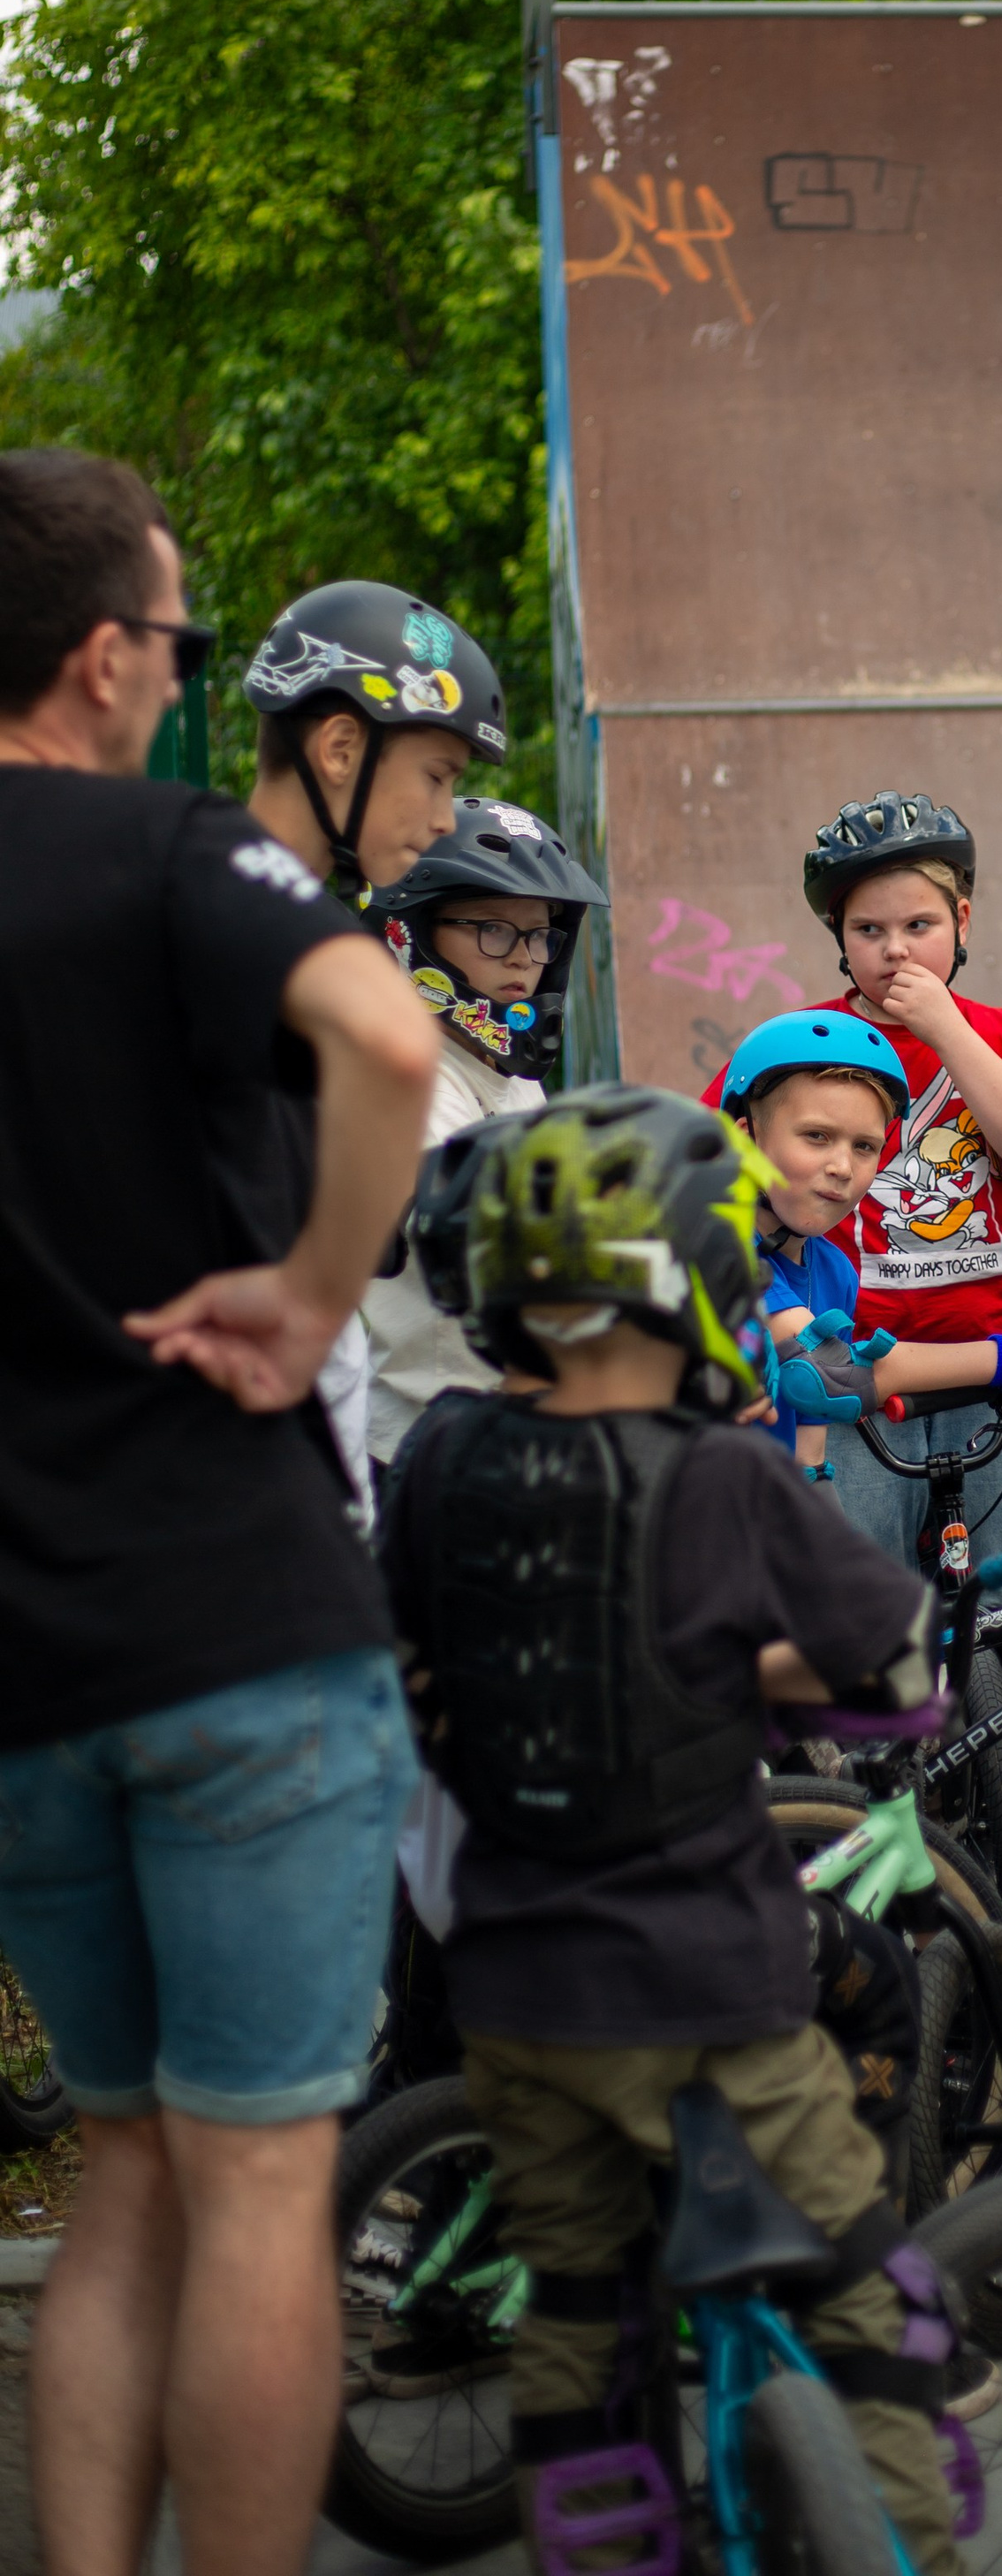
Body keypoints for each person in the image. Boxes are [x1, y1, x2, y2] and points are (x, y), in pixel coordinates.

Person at [0, 451, 439, 2576]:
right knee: (262, 2170)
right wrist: (315, 1290)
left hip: (20, 1656)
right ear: (102, 658)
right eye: (175, 646)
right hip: (236, 1615)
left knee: (124, 2164)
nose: (180, 689)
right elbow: (385, 1032)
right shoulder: (168, 847)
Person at [377, 1085, 961, 2576]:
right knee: (871, 2304)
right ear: (700, 1271)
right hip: (710, 1990)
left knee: (580, 2313)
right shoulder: (724, 1477)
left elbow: (420, 1657)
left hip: (511, 1995)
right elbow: (897, 1680)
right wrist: (753, 1676)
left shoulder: (438, 1466)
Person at [239, 576, 514, 1509]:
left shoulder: (299, 924)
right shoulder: (248, 925)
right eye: (437, 777)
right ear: (341, 747)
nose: (445, 817)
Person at [799, 794, 1002, 1575]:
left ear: (962, 923)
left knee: (1001, 1605)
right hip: (856, 1380)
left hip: (989, 1373)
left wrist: (947, 1029)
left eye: (918, 927)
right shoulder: (805, 1044)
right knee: (872, 1611)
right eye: (869, 931)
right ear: (840, 939)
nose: (895, 951)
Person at [710, 1012, 1002, 1485]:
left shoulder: (832, 1271)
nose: (842, 1166)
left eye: (866, 1147)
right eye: (816, 1137)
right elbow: (828, 1377)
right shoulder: (716, 1245)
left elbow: (809, 1445)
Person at [361, 794, 611, 1465]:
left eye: (539, 934)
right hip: (423, 1450)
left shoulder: (503, 1068)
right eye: (494, 929)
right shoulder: (407, 1085)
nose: (525, 957)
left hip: (509, 1430)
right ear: (413, 928)